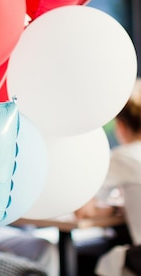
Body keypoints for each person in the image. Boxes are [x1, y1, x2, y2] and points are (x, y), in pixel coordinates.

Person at [74, 93, 141, 275]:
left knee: (104, 263)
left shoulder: (123, 156)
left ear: (120, 126)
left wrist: (111, 209)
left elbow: (84, 211)